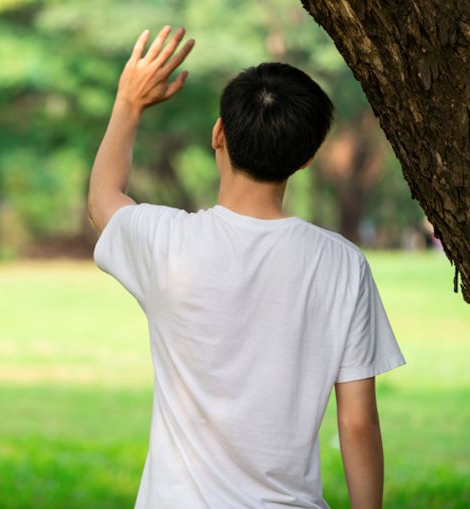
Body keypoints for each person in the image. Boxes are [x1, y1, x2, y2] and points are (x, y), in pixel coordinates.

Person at [88, 26, 405, 508]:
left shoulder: (166, 242)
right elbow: (358, 421)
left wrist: (128, 103)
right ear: (306, 159)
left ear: (219, 134)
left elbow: (103, 199)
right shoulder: (342, 264)